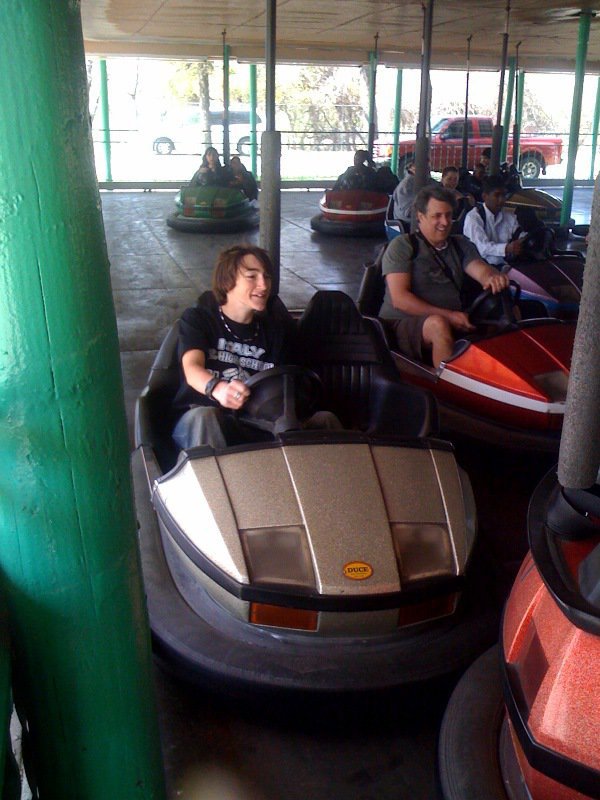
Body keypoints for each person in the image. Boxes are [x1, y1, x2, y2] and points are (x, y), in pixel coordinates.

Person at [172, 245, 340, 450]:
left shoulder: (276, 332)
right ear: (227, 281)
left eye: (266, 277)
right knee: (205, 417)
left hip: (258, 424)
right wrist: (217, 388)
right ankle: (215, 481)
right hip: (204, 418)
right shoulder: (200, 319)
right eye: (252, 277)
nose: (263, 285)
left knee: (325, 420)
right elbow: (192, 368)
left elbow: (286, 385)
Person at [381, 184, 510, 369]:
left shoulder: (459, 244)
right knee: (438, 325)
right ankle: (445, 391)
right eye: (437, 216)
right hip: (400, 324)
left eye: (449, 215)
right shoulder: (403, 246)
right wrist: (449, 316)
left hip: (452, 317)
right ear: (420, 217)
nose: (445, 222)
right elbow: (400, 300)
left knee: (508, 314)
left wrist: (492, 277)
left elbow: (479, 269)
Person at [462, 175, 524, 265]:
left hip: (505, 267)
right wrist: (506, 248)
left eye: (504, 195)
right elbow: (482, 247)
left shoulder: (509, 217)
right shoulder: (473, 218)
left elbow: (519, 234)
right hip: (480, 270)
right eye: (497, 195)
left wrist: (521, 241)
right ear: (484, 197)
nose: (502, 200)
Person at [391, 158, 436, 225]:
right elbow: (410, 212)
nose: (427, 170)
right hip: (408, 223)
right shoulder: (406, 185)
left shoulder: (427, 181)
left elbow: (439, 189)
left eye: (428, 167)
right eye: (424, 167)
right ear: (413, 167)